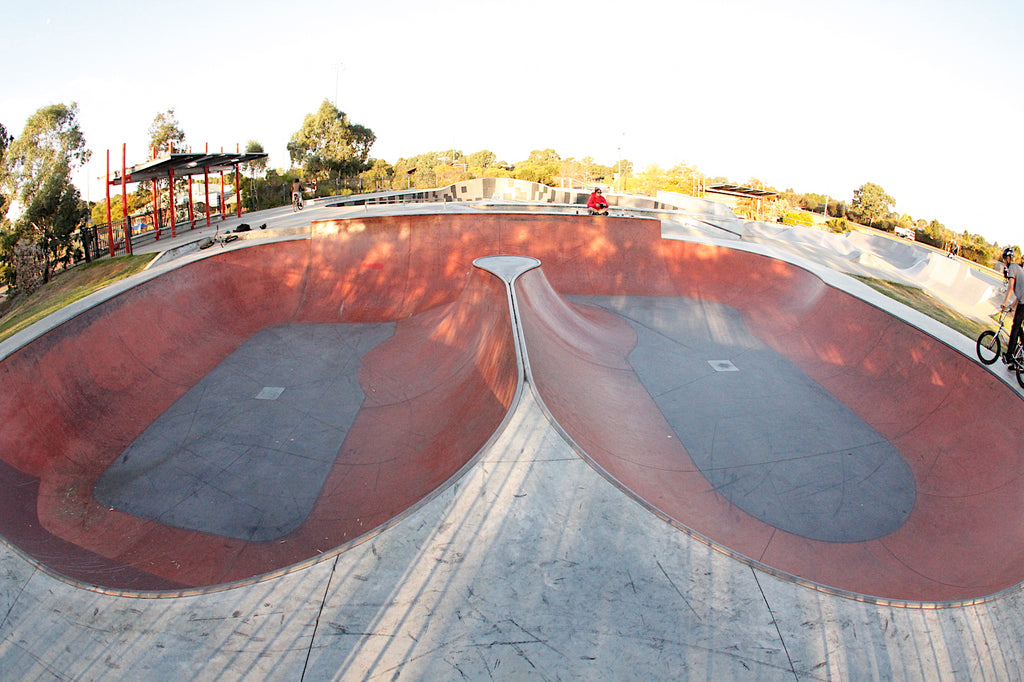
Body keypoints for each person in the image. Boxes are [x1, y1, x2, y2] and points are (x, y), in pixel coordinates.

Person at [999, 246, 1024, 367]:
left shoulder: (1012, 268)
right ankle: (1020, 356)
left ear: (1008, 258)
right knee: (1019, 327)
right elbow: (1019, 296)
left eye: (1004, 259)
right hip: (1022, 302)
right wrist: (1011, 306)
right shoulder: (1019, 269)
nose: (1004, 262)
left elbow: (1010, 288)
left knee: (1015, 327)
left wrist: (1003, 303)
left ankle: (1009, 357)